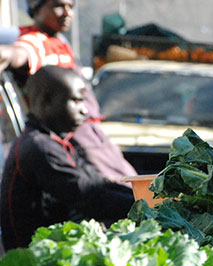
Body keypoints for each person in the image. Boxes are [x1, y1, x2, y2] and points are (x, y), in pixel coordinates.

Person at [0, 0, 137, 184]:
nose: (66, 13)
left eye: (71, 7)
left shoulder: (59, 42)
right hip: (78, 141)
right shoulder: (34, 41)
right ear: (36, 8)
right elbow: (15, 54)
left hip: (94, 136)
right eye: (58, 6)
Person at [1, 66, 135, 250]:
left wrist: (144, 196)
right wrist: (142, 205)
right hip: (35, 260)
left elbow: (99, 184)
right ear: (46, 101)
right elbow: (90, 197)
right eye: (76, 101)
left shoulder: (59, 141)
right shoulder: (39, 148)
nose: (85, 111)